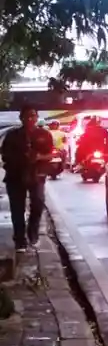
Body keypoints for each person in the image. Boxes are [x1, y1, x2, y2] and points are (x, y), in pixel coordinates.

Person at [1, 106, 55, 250]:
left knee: (38, 203)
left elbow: (51, 154)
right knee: (17, 209)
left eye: (33, 116)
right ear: (21, 118)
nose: (30, 119)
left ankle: (33, 232)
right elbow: (5, 155)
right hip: (15, 176)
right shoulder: (12, 135)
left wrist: (38, 157)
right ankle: (20, 239)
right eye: (27, 116)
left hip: (36, 175)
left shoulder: (44, 134)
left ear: (37, 118)